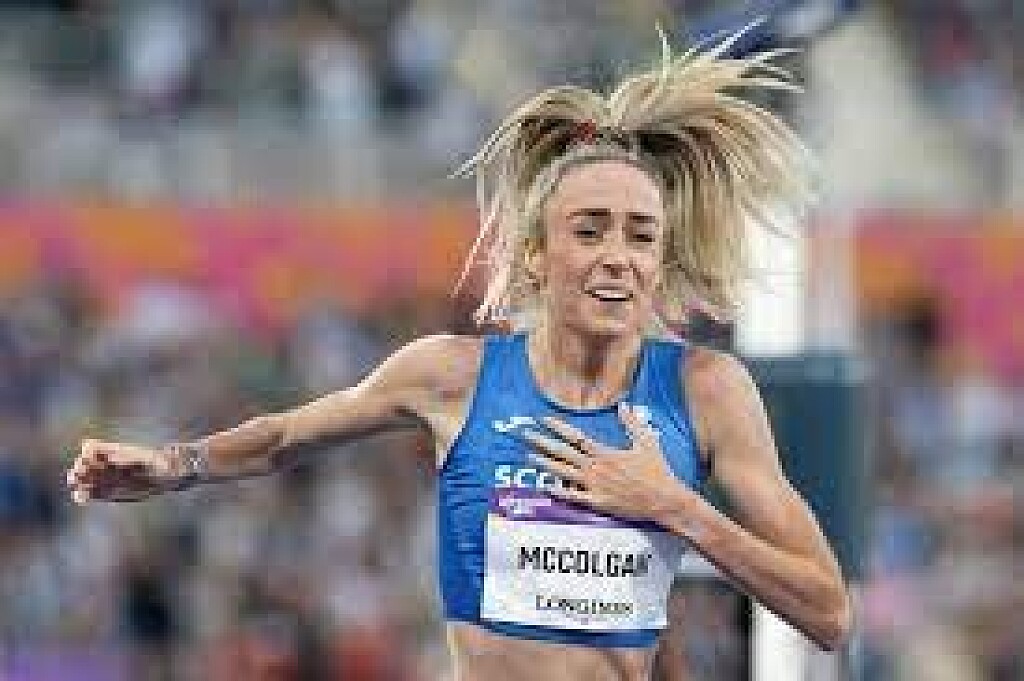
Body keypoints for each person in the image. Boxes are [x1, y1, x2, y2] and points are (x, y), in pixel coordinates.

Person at [66, 26, 851, 681]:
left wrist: (676, 506)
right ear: (537, 253)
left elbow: (828, 611)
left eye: (640, 236)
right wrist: (175, 464)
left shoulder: (706, 389)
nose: (618, 256)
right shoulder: (453, 373)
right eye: (589, 230)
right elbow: (284, 437)